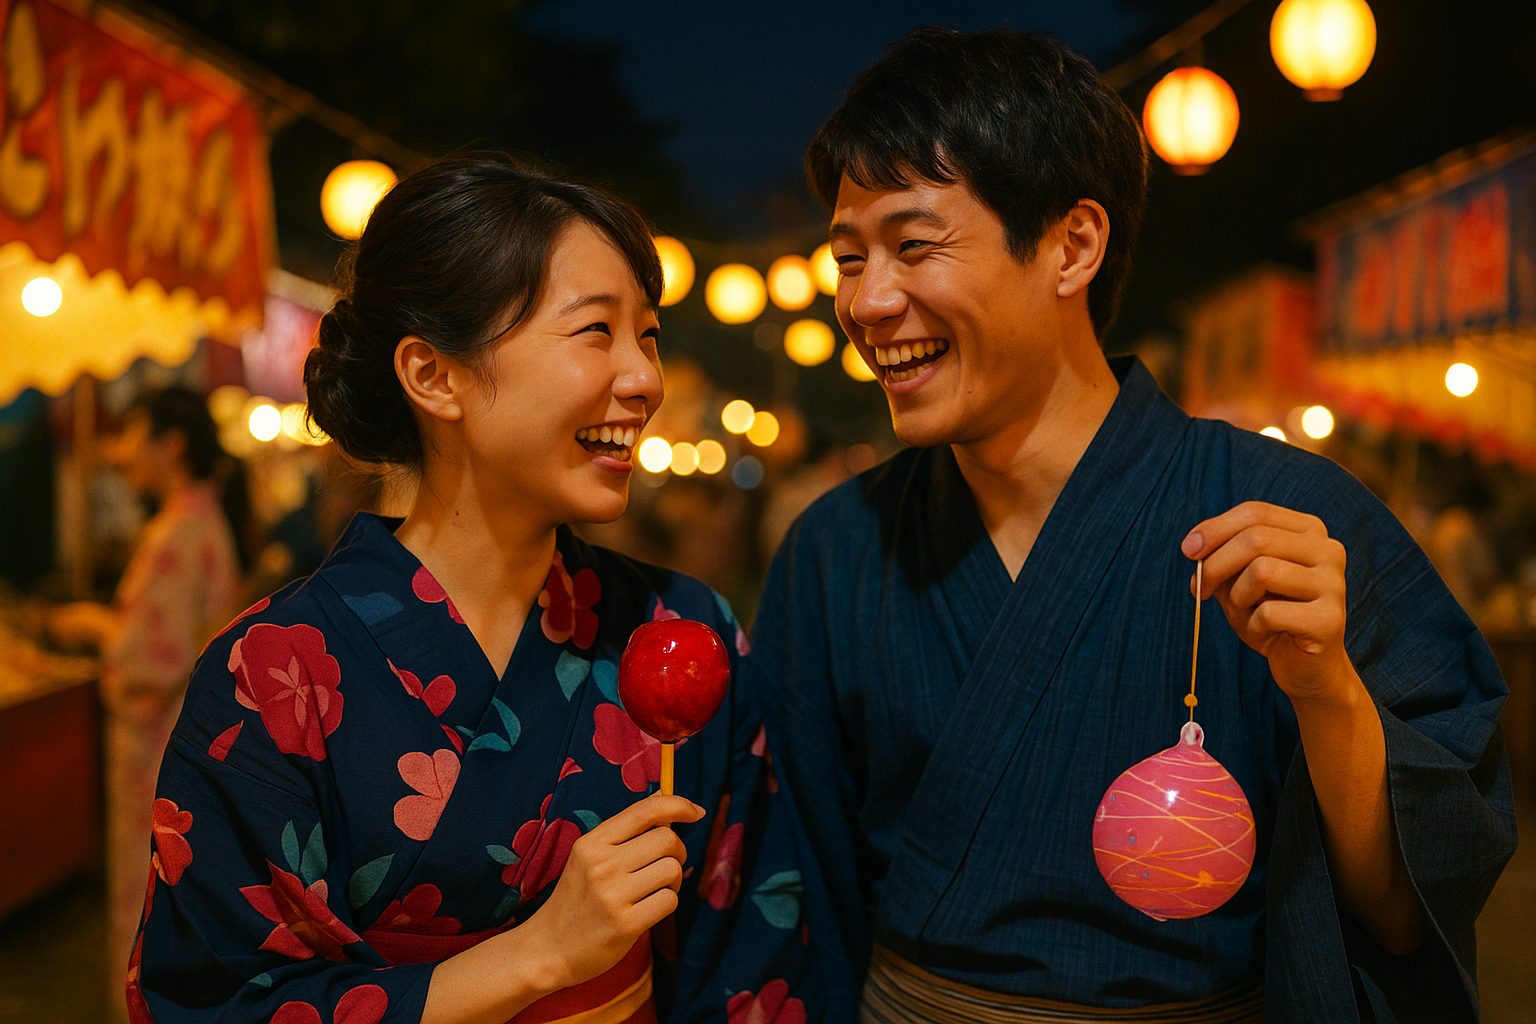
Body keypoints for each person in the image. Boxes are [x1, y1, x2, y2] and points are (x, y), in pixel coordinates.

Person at [748, 27, 1515, 1024]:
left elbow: (1403, 910)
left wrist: (1325, 686)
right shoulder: (834, 551)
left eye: (912, 244)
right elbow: (793, 898)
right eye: (847, 258)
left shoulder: (1292, 520)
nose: (866, 300)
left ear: (1073, 245)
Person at [130, 155, 814, 1024]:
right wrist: (539, 957)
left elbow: (751, 953)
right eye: (596, 332)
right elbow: (211, 1001)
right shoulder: (270, 673)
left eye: (649, 336)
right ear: (433, 375)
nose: (645, 380)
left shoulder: (680, 630)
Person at [47, 385, 247, 1018]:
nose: (122, 451)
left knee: (145, 890)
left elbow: (147, 660)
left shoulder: (179, 531)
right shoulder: (200, 520)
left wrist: (92, 626)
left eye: (134, 434)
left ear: (172, 445)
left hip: (156, 742)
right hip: (183, 738)